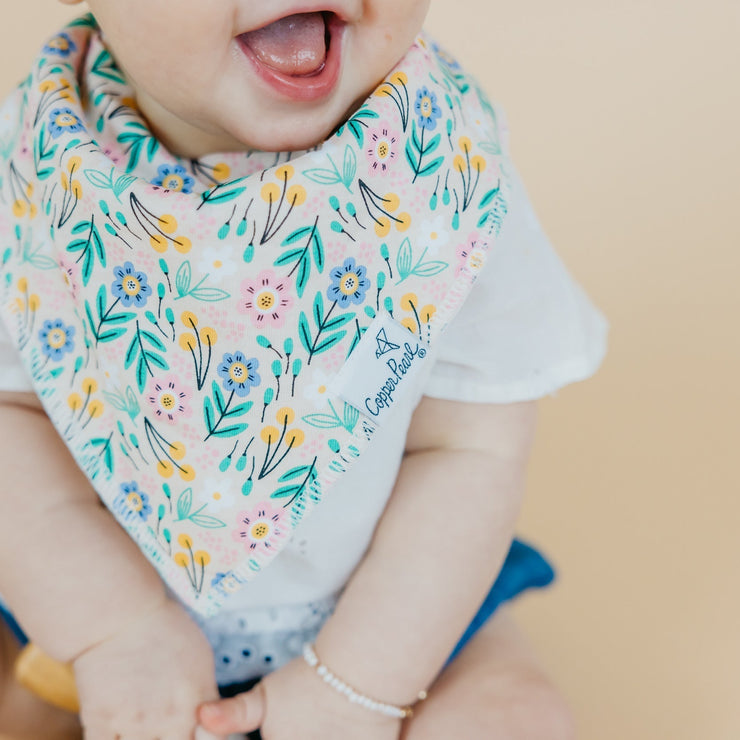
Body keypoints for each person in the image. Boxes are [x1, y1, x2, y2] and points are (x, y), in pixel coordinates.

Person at [0, 1, 607, 738]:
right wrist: (112, 630)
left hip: (397, 604)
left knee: (516, 719)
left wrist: (357, 688)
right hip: (96, 595)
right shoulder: (37, 168)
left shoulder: (445, 167)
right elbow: (11, 420)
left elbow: (467, 449)